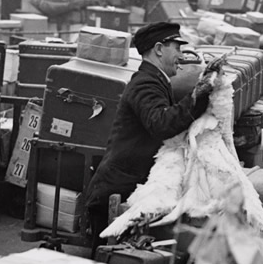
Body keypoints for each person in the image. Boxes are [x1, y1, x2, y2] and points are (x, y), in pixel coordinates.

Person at [84, 22, 215, 251]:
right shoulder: (145, 83)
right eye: (177, 48)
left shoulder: (157, 81)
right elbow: (160, 124)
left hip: (126, 185)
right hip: (118, 190)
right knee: (108, 262)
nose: (181, 55)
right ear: (159, 49)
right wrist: (197, 98)